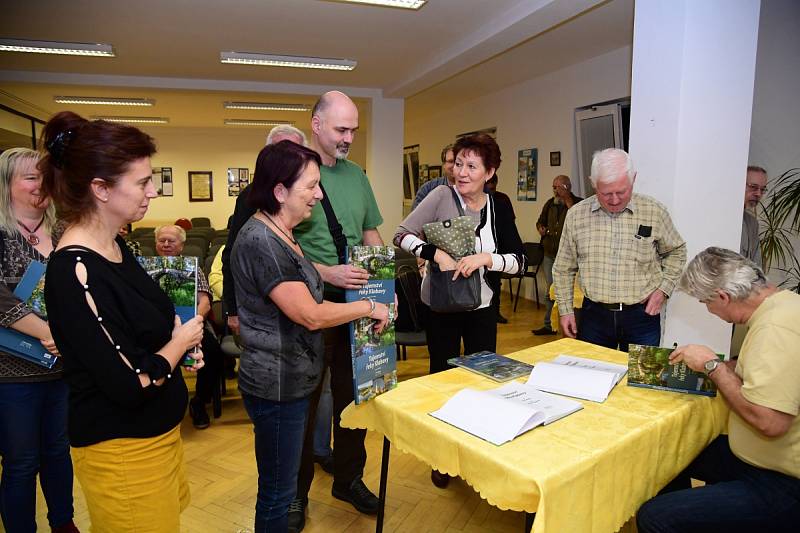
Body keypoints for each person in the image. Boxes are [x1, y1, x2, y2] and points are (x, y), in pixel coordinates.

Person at [39, 111, 205, 533]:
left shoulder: (117, 246)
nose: (152, 192)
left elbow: (145, 324)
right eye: (142, 182)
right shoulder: (75, 270)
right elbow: (129, 382)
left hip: (156, 438)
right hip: (124, 451)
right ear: (100, 189)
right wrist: (178, 344)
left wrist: (179, 343)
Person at [231, 140, 388, 532]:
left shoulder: (282, 232)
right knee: (277, 497)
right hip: (277, 384)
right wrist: (370, 308)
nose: (319, 195)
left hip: (291, 377)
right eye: (311, 186)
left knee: (279, 490)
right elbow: (312, 315)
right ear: (280, 191)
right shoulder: (262, 241)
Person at [394, 133, 526, 489]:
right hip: (442, 308)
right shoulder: (440, 196)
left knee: (483, 380)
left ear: (490, 171)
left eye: (471, 166)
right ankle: (442, 457)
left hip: (483, 307)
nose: (461, 172)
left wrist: (487, 259)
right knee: (444, 380)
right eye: (458, 164)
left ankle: (477, 450)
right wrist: (433, 253)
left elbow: (519, 262)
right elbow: (401, 235)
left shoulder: (499, 206)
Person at [637, 247, 800, 532]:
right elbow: (768, 371)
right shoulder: (785, 304)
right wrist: (721, 366)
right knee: (672, 453)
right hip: (761, 457)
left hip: (782, 480)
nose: (709, 311)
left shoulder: (774, 329)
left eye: (705, 303)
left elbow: (770, 423)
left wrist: (714, 366)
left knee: (654, 517)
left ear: (723, 296)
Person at [290, 90, 387, 530]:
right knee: (306, 400)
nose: (349, 137)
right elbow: (276, 245)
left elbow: (371, 233)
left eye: (354, 130)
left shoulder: (357, 176)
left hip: (360, 299)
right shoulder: (293, 174)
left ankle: (349, 479)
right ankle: (294, 493)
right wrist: (327, 273)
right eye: (341, 129)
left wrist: (385, 289)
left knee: (356, 395)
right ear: (316, 125)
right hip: (310, 300)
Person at [0, 148, 78, 533]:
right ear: (6, 185)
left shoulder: (64, 231)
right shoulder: (2, 234)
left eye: (45, 177)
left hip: (62, 366)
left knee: (58, 452)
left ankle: (63, 523)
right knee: (21, 462)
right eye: (30, 177)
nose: (40, 185)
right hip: (12, 372)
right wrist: (47, 333)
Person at [553, 148, 686, 351]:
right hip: (593, 317)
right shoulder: (576, 215)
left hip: (642, 317)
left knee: (637, 381)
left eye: (621, 192)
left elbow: (676, 251)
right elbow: (563, 267)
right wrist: (565, 310)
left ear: (633, 179)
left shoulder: (654, 211)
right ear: (593, 183)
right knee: (591, 378)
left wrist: (663, 290)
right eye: (606, 193)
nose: (614, 200)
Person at [221, 124, 307, 336]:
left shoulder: (311, 195)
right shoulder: (251, 196)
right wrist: (232, 310)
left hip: (304, 301)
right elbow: (232, 254)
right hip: (262, 306)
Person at [155, 224, 222, 430]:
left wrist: (194, 322)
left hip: (189, 323)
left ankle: (199, 402)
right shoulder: (144, 267)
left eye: (171, 241)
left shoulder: (192, 267)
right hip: (155, 327)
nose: (166, 244)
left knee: (212, 352)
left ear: (182, 245)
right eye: (161, 240)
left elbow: (205, 302)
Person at [532, 175, 582, 335]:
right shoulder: (550, 204)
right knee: (551, 290)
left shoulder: (578, 204)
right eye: (553, 187)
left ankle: (568, 325)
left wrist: (568, 200)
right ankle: (549, 325)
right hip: (549, 253)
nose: (554, 191)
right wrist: (540, 227)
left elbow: (580, 223)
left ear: (566, 187)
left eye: (557, 187)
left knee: (566, 292)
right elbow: (540, 221)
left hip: (569, 258)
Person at [485, 173, 516, 323]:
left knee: (495, 283)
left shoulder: (502, 199)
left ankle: (495, 312)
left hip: (497, 248)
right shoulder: (478, 198)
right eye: (488, 187)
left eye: (493, 187)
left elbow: (510, 222)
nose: (491, 190)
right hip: (481, 248)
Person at [411, 144, 455, 209]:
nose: (455, 165)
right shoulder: (427, 189)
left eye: (459, 161)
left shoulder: (472, 189)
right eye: (451, 161)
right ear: (444, 165)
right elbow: (415, 218)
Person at [741, 165, 766, 267]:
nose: (759, 194)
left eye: (763, 189)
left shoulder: (752, 222)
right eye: (753, 187)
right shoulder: (720, 218)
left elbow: (756, 265)